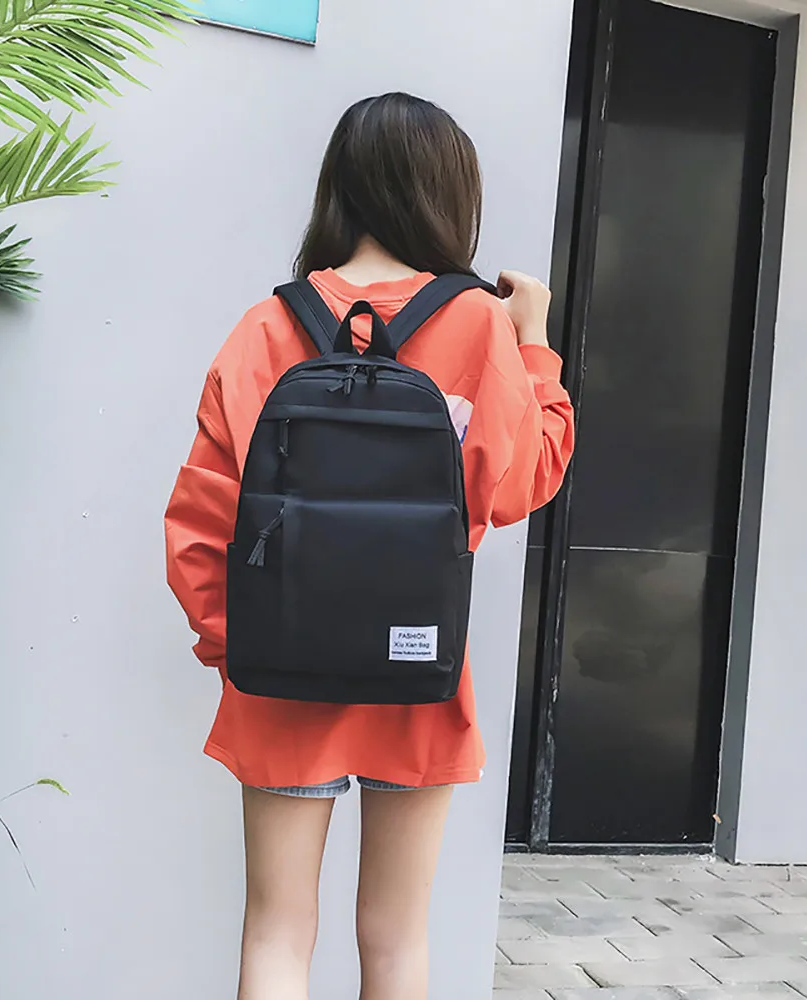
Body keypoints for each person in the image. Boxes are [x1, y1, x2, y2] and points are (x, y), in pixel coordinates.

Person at [165, 92, 575, 1000]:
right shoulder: (478, 325)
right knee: (395, 940)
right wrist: (535, 341)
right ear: (448, 194)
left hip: (281, 673)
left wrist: (239, 648)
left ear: (339, 189)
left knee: (276, 934)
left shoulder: (265, 326)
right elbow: (523, 482)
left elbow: (201, 516)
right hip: (417, 673)